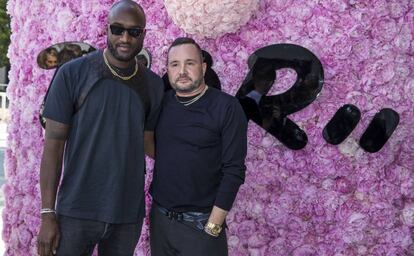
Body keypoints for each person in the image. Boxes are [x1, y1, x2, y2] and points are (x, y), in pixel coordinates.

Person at [37, 1, 164, 255]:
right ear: (107, 29)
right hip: (75, 213)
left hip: (127, 216)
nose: (125, 37)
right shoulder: (72, 74)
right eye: (118, 29)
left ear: (143, 35)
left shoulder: (154, 86)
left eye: (134, 31)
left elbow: (149, 143)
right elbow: (53, 147)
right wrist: (48, 214)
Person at [149, 37, 247, 256]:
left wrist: (213, 226)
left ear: (203, 67)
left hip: (201, 225)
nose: (182, 70)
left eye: (190, 63)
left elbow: (234, 170)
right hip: (161, 222)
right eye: (175, 64)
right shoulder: (161, 104)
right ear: (168, 70)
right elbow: (155, 147)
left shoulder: (226, 107)